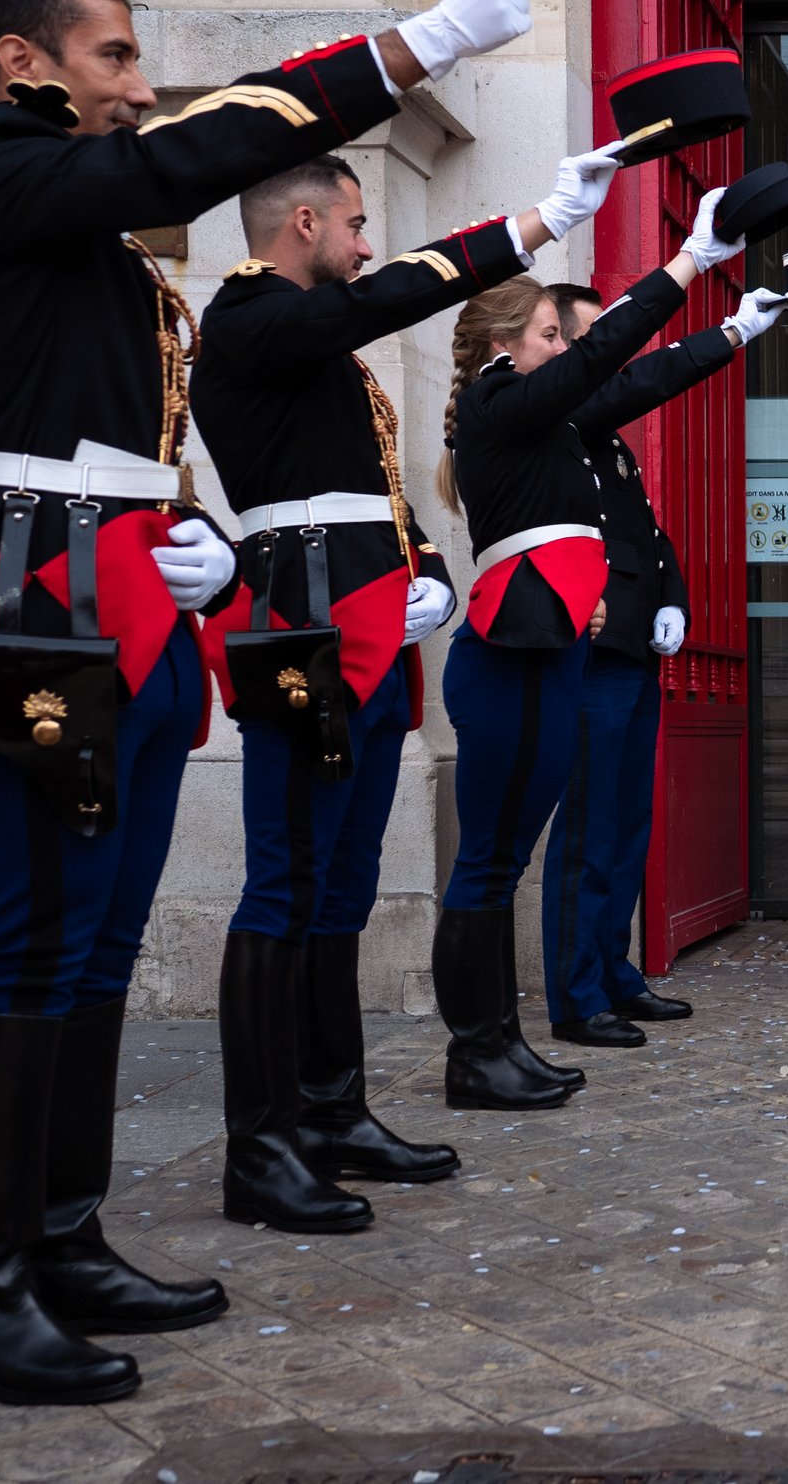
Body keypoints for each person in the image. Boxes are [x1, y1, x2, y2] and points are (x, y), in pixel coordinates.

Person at [0, 0, 526, 1404]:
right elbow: (177, 165)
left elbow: (109, 424)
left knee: (100, 942)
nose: (141, 87)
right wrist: (413, 47)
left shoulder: (80, 229)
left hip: (115, 581)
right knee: (33, 944)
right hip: (42, 592)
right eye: (116, 56)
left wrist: (189, 533)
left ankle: (62, 1238)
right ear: (22, 62)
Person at [188, 144, 619, 1232]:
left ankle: (333, 1110)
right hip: (302, 619)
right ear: (302, 225)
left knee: (344, 882)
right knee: (286, 884)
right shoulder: (250, 318)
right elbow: (378, 302)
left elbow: (374, 485)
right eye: (353, 224)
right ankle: (261, 1145)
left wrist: (421, 565)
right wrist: (526, 227)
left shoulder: (319, 347)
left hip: (370, 620)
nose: (366, 243)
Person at [432, 196, 768, 1110]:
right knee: (490, 862)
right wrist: (692, 262)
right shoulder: (499, 401)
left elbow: (627, 384)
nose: (564, 348)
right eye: (549, 334)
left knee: (505, 860)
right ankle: (480, 1052)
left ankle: (498, 1045)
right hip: (511, 652)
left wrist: (733, 332)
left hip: (550, 648)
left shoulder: (541, 421)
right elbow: (606, 362)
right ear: (504, 345)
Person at [540, 279, 782, 1048]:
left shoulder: (606, 439)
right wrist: (730, 334)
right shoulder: (562, 418)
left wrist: (673, 596)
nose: (607, 358)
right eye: (591, 341)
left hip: (635, 650)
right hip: (594, 651)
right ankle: (577, 996)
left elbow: (648, 534)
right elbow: (643, 381)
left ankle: (615, 975)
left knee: (625, 828)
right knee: (589, 832)